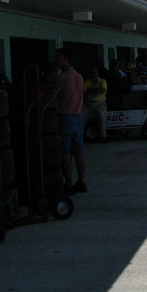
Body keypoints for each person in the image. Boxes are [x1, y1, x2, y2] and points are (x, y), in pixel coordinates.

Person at [53, 48, 86, 195]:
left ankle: (69, 184)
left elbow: (53, 95)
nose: (57, 60)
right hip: (78, 116)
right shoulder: (78, 76)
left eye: (59, 57)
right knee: (78, 152)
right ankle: (81, 181)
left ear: (66, 59)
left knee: (66, 153)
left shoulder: (63, 78)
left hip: (66, 116)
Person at [83, 66, 108, 143]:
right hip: (88, 104)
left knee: (102, 115)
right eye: (92, 72)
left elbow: (102, 90)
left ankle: (103, 136)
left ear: (98, 73)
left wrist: (90, 90)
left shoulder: (102, 81)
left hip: (100, 104)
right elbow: (84, 93)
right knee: (80, 116)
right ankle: (79, 136)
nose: (94, 74)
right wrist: (96, 91)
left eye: (95, 72)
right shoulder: (86, 82)